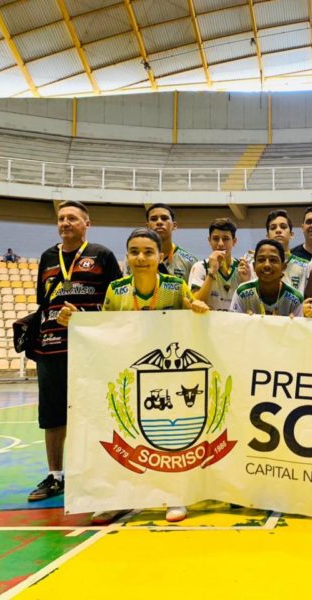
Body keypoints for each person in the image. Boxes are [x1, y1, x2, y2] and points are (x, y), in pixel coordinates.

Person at [58, 228, 209, 525]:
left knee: (171, 440)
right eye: (135, 252)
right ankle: (116, 498)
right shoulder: (117, 289)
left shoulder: (176, 287)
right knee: (122, 435)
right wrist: (75, 321)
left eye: (148, 252)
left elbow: (194, 320)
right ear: (126, 257)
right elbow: (105, 327)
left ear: (161, 256)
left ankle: (173, 494)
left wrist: (199, 310)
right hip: (127, 375)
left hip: (167, 377)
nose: (141, 258)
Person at [27, 201, 122, 504]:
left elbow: (116, 301)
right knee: (52, 415)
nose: (66, 223)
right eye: (61, 218)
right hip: (51, 347)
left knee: (97, 411)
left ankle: (100, 473)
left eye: (72, 218)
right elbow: (44, 301)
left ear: (87, 224)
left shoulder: (102, 255)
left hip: (91, 347)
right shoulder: (47, 257)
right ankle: (55, 476)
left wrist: (82, 313)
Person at [189, 218, 251, 311]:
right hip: (210, 325)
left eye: (226, 239)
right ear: (209, 240)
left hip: (237, 324)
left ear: (234, 241)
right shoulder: (200, 267)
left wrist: (245, 283)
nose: (220, 244)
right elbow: (196, 304)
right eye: (216, 238)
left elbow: (252, 308)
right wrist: (212, 272)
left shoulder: (243, 268)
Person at [230, 240, 304, 317]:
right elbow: (233, 325)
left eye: (273, 260)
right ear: (254, 266)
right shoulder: (242, 292)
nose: (267, 265)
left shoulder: (295, 298)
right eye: (261, 260)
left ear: (283, 267)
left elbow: (298, 328)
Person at [144, 203, 197, 281]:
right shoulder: (136, 258)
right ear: (147, 226)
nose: (159, 222)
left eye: (164, 218)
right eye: (154, 219)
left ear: (174, 225)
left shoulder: (190, 261)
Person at [265, 209, 306, 290]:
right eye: (273, 228)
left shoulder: (304, 266)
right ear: (267, 236)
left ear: (291, 234)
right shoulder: (259, 265)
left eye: (283, 227)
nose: (278, 230)